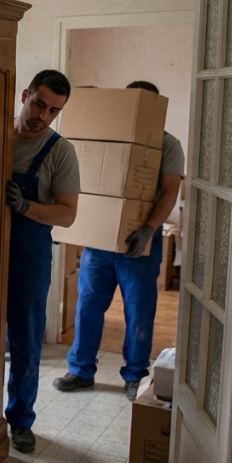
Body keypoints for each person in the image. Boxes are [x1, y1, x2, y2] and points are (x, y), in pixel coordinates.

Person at [53, 80, 186, 402]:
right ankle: (81, 370)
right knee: (87, 307)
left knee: (139, 313)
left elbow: (170, 191)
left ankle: (135, 374)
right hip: (100, 245)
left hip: (139, 247)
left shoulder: (167, 145)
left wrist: (149, 229)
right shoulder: (113, 138)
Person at [4, 69, 80, 454]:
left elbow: (67, 215)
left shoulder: (60, 152)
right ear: (24, 95)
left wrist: (26, 206)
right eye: (39, 104)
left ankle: (20, 420)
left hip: (29, 254)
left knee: (26, 339)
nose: (43, 116)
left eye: (53, 111)